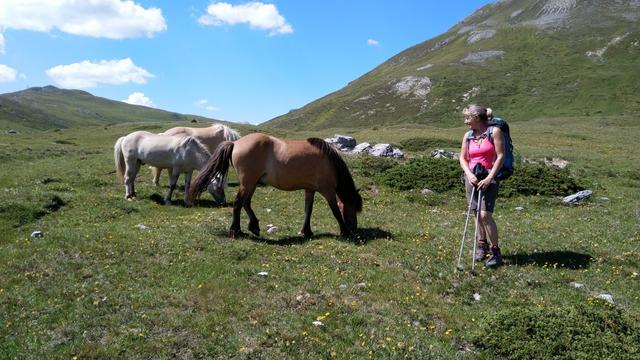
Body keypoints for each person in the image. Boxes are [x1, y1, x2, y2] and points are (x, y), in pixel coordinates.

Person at [459, 105, 505, 267]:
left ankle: (495, 251)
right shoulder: (468, 135)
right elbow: (462, 158)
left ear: (476, 118)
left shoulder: (494, 132)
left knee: (485, 214)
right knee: (475, 213)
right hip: (472, 177)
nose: (466, 121)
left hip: (489, 177)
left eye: (468, 118)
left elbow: (500, 157)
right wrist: (469, 174)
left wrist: (490, 177)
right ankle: (481, 246)